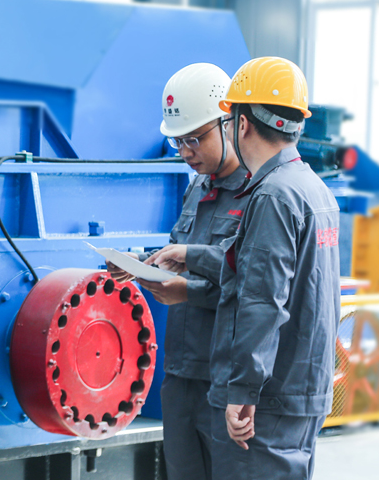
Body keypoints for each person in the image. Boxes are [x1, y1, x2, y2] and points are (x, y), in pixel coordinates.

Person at [147, 57, 340, 480]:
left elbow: (262, 298)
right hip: (287, 387)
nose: (186, 151)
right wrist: (189, 258)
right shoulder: (312, 189)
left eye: (194, 138)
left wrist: (244, 390)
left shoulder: (271, 194)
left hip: (268, 392)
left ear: (239, 123)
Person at [108, 63, 249, 480]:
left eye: (195, 138)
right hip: (182, 373)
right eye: (178, 141)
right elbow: (181, 253)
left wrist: (188, 292)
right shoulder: (197, 188)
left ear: (229, 124)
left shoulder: (258, 196)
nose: (186, 151)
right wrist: (140, 264)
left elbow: (257, 285)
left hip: (226, 380)